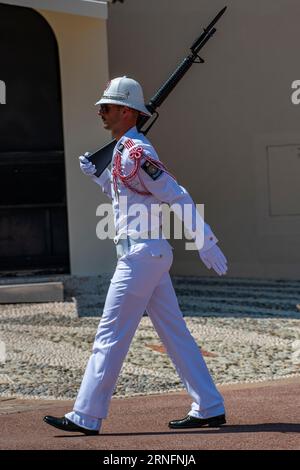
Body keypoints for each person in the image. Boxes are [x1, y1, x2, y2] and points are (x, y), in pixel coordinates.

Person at [44, 77, 228, 435]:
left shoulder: (136, 152)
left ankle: (86, 415)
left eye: (108, 107)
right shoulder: (124, 150)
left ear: (127, 112)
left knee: (110, 333)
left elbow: (176, 194)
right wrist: (98, 177)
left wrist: (204, 240)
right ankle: (209, 405)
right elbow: (131, 197)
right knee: (175, 334)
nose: (101, 111)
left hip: (141, 255)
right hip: (147, 254)